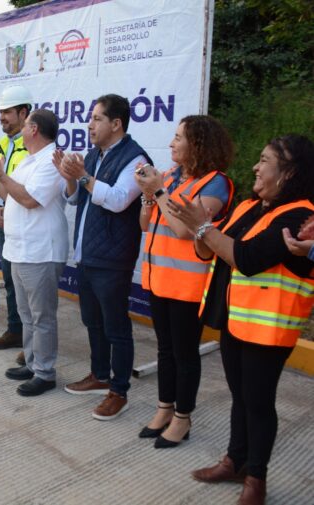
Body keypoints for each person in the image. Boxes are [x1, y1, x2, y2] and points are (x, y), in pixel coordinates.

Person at [170, 134, 314, 505]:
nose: (256, 166)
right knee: (239, 396)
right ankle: (234, 461)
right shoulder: (250, 205)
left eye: (265, 160)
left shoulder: (301, 213)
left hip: (270, 326)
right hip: (236, 319)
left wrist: (204, 229)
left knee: (258, 402)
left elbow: (246, 258)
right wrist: (203, 230)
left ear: (289, 172)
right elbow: (210, 248)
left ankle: (256, 480)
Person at [135, 115, 234, 448]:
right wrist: (149, 195)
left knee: (184, 353)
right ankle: (165, 408)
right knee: (165, 350)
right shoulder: (171, 176)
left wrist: (158, 190)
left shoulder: (215, 184)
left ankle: (183, 417)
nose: (172, 143)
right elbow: (145, 224)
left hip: (188, 285)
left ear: (199, 144)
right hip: (159, 278)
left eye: (179, 138)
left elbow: (184, 230)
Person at [55, 93, 151, 420]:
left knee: (116, 327)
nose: (90, 124)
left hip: (113, 258)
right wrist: (70, 177)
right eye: (90, 118)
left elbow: (119, 199)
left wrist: (82, 175)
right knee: (91, 321)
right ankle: (99, 375)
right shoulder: (94, 155)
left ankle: (119, 391)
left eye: (96, 118)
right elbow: (74, 200)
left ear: (116, 123)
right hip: (88, 255)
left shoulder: (136, 159)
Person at [0, 109, 69, 396]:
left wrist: (1, 174)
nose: (21, 127)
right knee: (26, 313)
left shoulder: (53, 161)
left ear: (35, 130)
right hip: (19, 248)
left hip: (41, 250)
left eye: (27, 123)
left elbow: (29, 199)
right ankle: (32, 363)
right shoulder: (29, 159)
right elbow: (8, 194)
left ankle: (45, 372)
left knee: (42, 316)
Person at [0, 85, 31, 354]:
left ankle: (31, 338)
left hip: (26, 219)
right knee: (11, 280)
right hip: (4, 220)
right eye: (0, 113)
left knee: (27, 283)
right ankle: (15, 330)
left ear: (23, 112)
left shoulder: (35, 145)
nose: (1, 118)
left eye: (7, 113)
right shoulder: (0, 145)